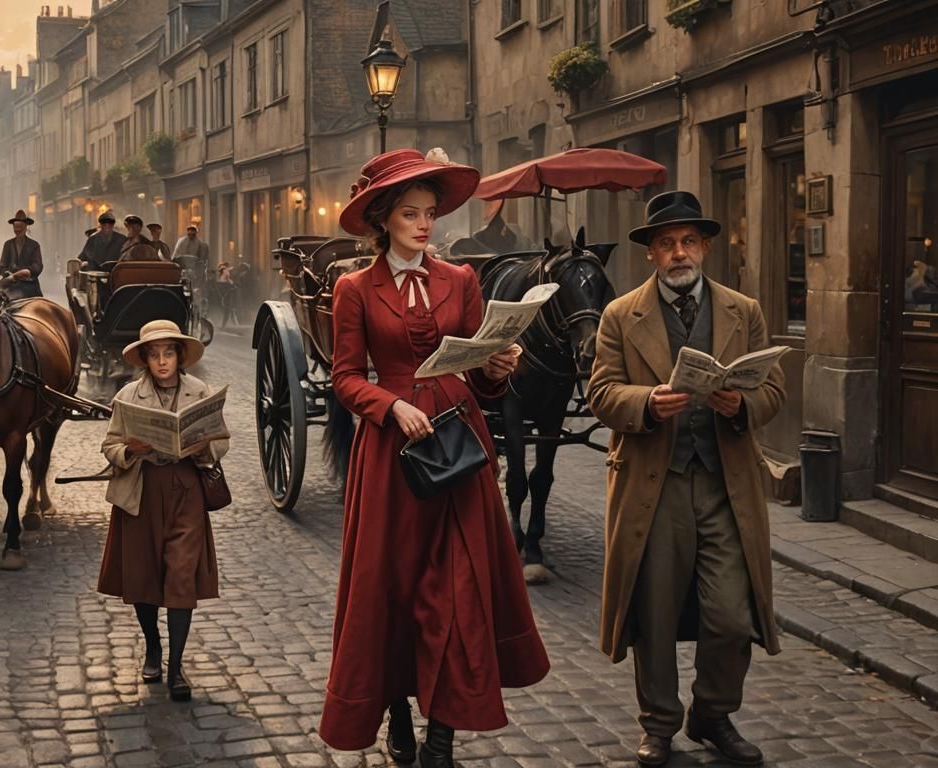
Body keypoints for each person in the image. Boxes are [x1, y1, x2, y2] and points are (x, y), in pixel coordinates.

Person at [318, 148, 550, 768]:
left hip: (459, 446)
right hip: (391, 457)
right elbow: (344, 379)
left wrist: (499, 367)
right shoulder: (354, 289)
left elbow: (482, 377)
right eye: (412, 214)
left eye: (431, 214)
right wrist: (390, 407)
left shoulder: (462, 282)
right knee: (390, 589)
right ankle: (396, 710)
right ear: (384, 219)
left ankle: (441, 738)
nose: (426, 225)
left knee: (457, 590)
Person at [588, 191, 786, 767]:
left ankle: (713, 714)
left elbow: (772, 390)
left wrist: (739, 404)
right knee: (653, 610)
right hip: (655, 482)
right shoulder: (621, 315)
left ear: (705, 247)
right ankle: (659, 725)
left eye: (689, 242)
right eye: (668, 243)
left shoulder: (742, 310)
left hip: (726, 483)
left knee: (731, 613)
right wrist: (647, 400)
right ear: (652, 252)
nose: (680, 253)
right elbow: (601, 392)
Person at [98, 320, 228, 703]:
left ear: (179, 355)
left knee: (181, 575)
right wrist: (129, 450)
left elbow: (221, 440)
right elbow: (110, 445)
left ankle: (176, 668)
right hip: (141, 492)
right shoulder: (127, 396)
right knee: (143, 577)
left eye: (168, 353)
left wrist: (204, 448)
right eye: (153, 355)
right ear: (145, 360)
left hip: (186, 491)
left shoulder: (199, 392)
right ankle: (153, 647)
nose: (162, 361)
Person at [0, 209, 45, 299]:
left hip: (29, 286)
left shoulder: (34, 245)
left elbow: (38, 267)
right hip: (11, 285)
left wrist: (24, 272)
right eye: (16, 227)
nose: (18, 230)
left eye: (20, 227)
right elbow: (1, 266)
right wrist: (7, 273)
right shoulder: (8, 244)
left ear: (26, 227)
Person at [214, 261, 238, 326]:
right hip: (226, 292)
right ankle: (224, 324)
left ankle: (231, 324)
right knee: (228, 308)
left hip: (224, 291)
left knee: (229, 309)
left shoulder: (222, 272)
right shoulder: (225, 272)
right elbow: (227, 280)